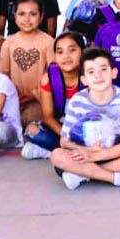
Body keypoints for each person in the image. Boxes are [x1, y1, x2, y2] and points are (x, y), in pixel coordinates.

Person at [48, 47, 120, 189]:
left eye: (103, 69)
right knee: (57, 155)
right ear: (84, 79)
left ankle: (84, 173)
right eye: (91, 72)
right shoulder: (77, 101)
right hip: (83, 154)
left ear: (114, 73)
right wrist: (86, 151)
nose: (98, 76)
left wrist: (95, 156)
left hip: (113, 154)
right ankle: (118, 179)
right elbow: (64, 141)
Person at [20, 32, 84, 160]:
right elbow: (48, 117)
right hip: (61, 130)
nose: (66, 56)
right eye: (60, 52)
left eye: (72, 50)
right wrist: (66, 137)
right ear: (54, 56)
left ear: (83, 52)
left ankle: (57, 152)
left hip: (86, 130)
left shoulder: (90, 75)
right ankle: (68, 152)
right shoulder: (49, 79)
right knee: (32, 131)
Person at [0, 0, 55, 128]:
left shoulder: (49, 42)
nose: (27, 19)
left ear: (41, 17)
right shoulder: (9, 43)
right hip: (13, 96)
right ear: (15, 16)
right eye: (21, 14)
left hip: (39, 98)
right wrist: (12, 93)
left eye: (33, 14)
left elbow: (52, 75)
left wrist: (34, 95)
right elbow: (3, 74)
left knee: (29, 119)